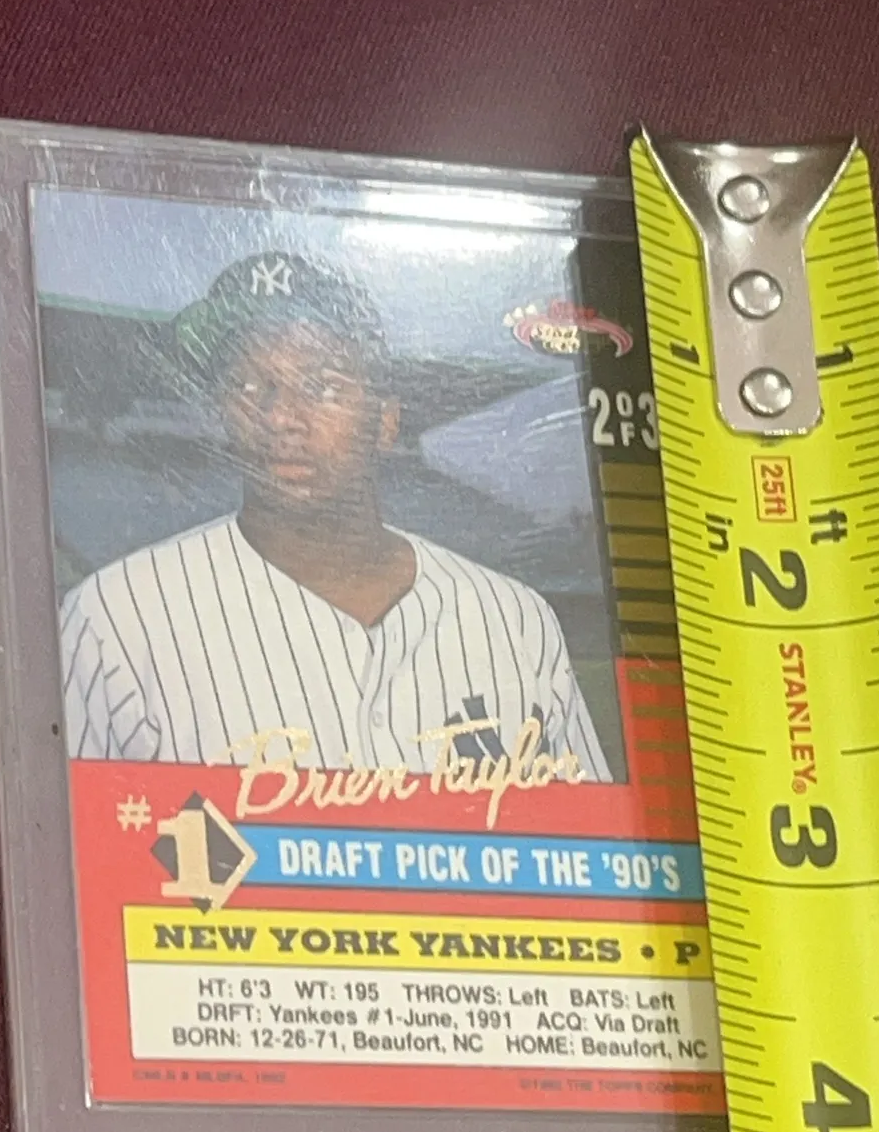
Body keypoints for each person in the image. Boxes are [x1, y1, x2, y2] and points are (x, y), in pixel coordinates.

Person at [59, 250, 611, 778]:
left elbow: (586, 836)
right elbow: (67, 834)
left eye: (322, 387)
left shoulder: (514, 621)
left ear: (386, 422)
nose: (280, 417)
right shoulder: (115, 620)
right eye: (248, 386)